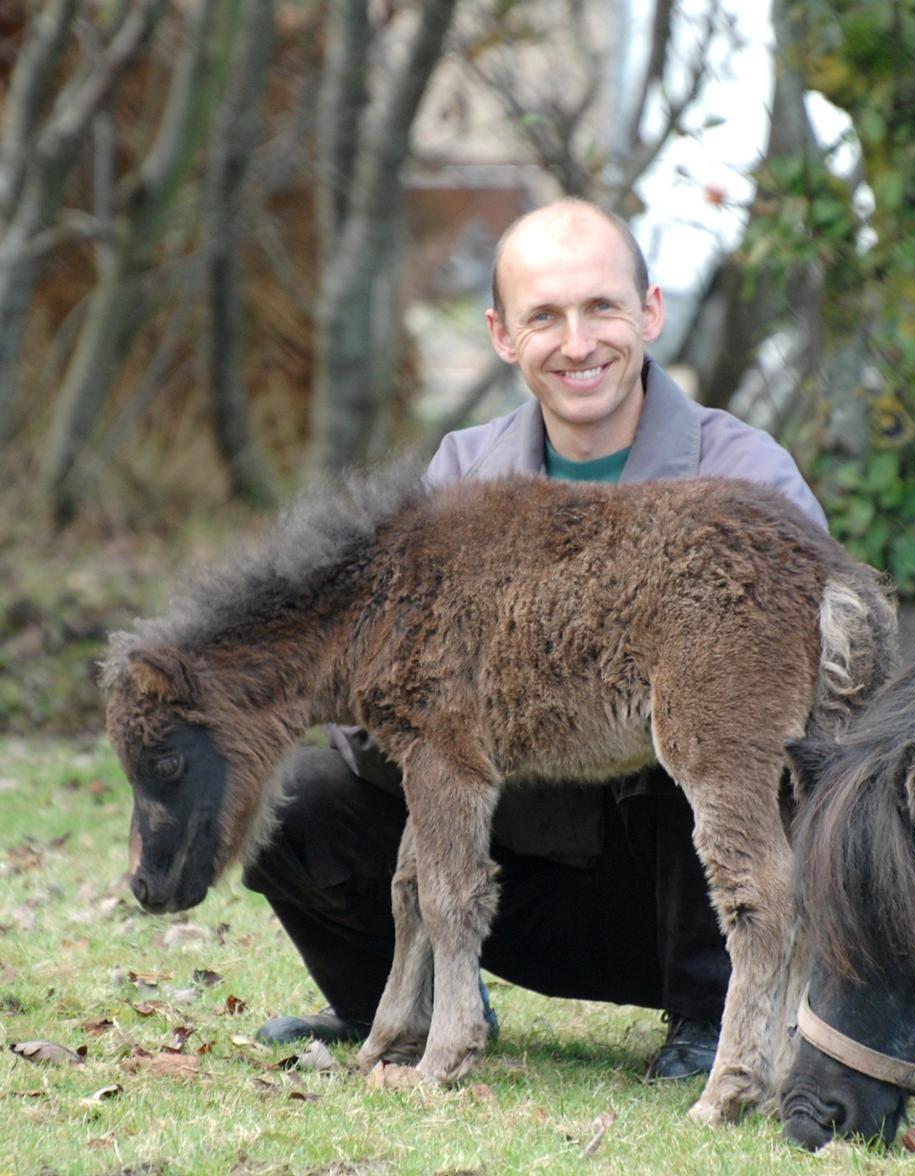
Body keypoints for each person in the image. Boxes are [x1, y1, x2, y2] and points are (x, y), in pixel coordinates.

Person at [245, 198, 828, 1079]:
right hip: (514, 869)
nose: (579, 342)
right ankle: (413, 1002)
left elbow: (814, 718)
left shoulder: (740, 473)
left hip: (685, 893)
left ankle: (715, 1023)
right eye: (544, 316)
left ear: (651, 312)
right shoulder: (460, 477)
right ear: (502, 335)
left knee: (711, 733)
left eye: (602, 307)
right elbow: (394, 708)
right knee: (302, 794)